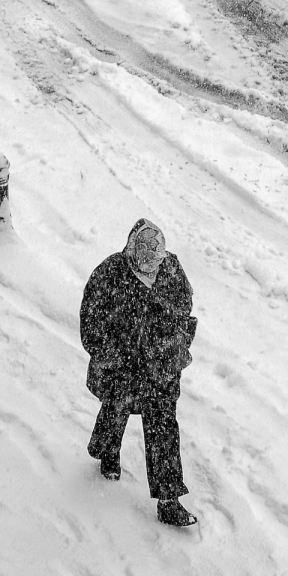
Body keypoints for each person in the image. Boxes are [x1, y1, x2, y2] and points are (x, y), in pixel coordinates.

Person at [80, 218, 198, 527]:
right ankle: (106, 450)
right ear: (133, 249)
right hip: (125, 366)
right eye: (144, 253)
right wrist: (113, 354)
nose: (151, 261)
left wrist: (175, 341)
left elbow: (185, 303)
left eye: (156, 254)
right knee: (116, 408)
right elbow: (90, 323)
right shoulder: (110, 272)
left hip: (160, 367)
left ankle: (169, 501)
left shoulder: (171, 267)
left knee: (163, 428)